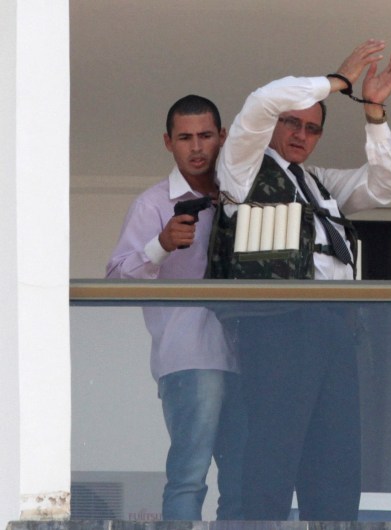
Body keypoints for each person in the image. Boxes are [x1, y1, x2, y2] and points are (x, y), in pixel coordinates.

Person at [212, 39, 391, 521]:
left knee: (336, 456)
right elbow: (261, 101)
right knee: (273, 449)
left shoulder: (318, 182)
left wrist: (374, 113)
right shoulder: (242, 167)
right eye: (292, 123)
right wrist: (336, 82)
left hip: (336, 326)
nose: (301, 134)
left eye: (312, 128)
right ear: (275, 126)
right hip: (278, 324)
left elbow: (385, 184)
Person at [106, 95, 246, 521]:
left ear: (223, 136)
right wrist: (161, 244)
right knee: (189, 475)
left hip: (249, 354)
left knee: (245, 481)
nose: (197, 147)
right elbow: (115, 281)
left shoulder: (243, 196)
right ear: (168, 142)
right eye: (185, 138)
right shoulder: (153, 204)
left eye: (205, 135)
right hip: (190, 357)